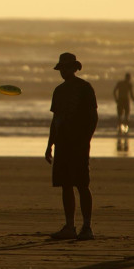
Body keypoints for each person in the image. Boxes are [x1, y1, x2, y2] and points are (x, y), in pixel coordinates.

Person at [45, 52, 98, 241]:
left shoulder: (85, 88)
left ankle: (87, 226)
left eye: (67, 68)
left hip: (79, 143)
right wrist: (50, 144)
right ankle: (69, 226)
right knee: (66, 185)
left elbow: (93, 117)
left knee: (82, 184)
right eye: (61, 69)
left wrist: (86, 139)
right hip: (62, 143)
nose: (63, 71)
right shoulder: (58, 91)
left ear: (74, 68)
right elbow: (56, 119)